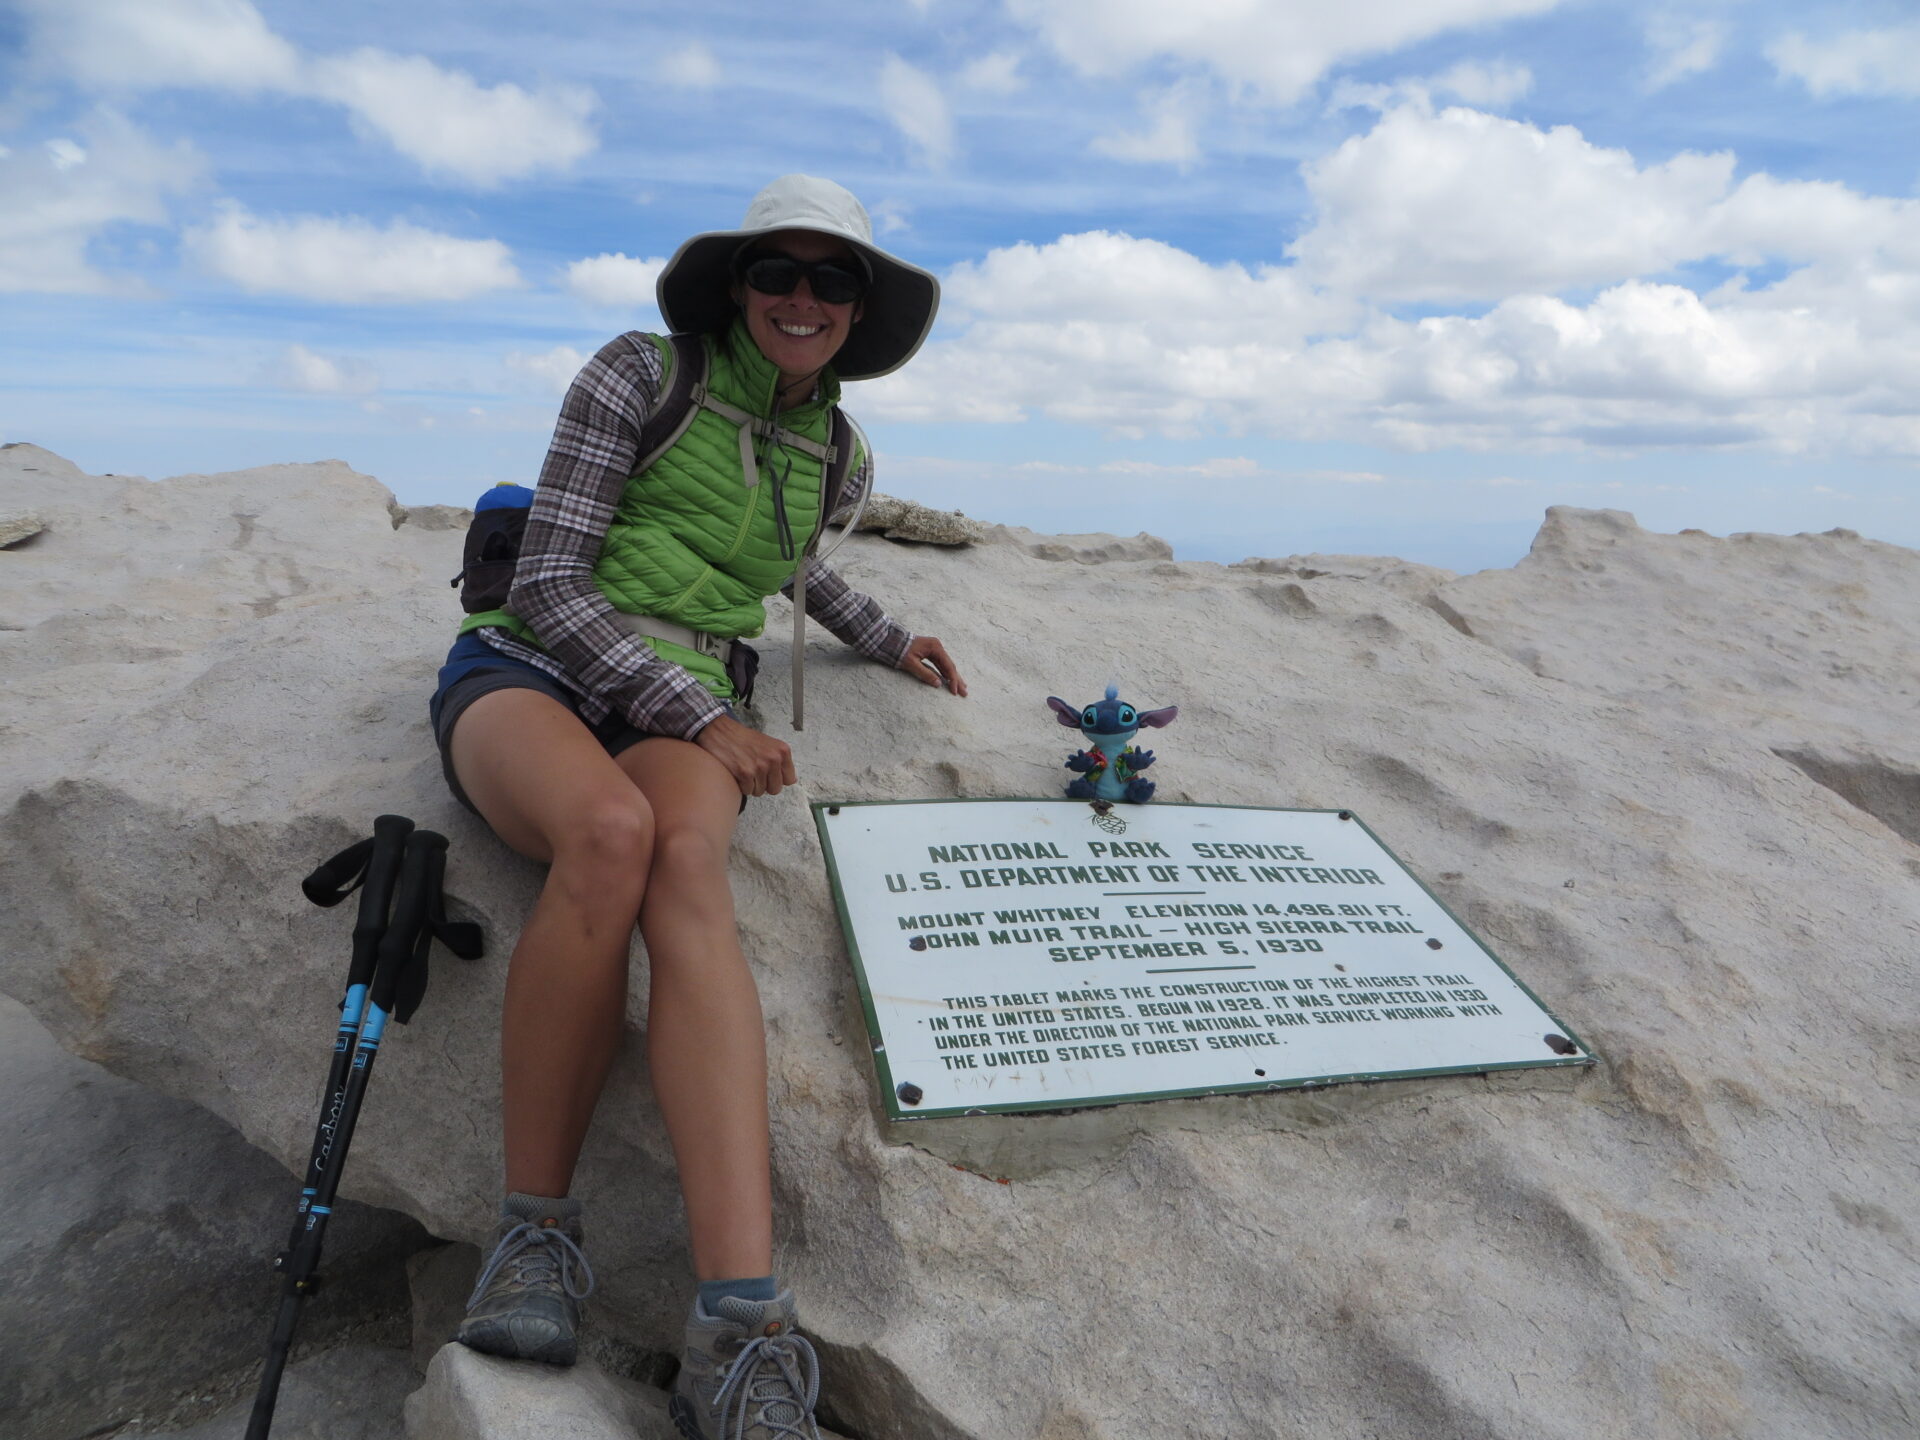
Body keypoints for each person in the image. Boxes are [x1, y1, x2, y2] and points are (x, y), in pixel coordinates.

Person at [426, 174, 965, 1440]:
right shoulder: (638, 374)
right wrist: (702, 717)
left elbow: (792, 566)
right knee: (607, 834)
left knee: (685, 869)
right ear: (736, 286)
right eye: (777, 272)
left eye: (831, 280)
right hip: (536, 666)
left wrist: (887, 637)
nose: (801, 298)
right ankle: (532, 1242)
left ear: (860, 309)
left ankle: (739, 1329)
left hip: (686, 695)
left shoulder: (837, 450)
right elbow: (549, 580)